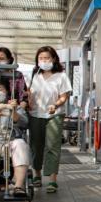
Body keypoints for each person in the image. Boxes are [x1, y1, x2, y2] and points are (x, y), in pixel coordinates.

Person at [28, 46, 72, 193]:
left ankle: (52, 180)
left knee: (52, 146)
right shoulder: (33, 75)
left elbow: (64, 96)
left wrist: (56, 104)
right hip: (35, 114)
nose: (44, 60)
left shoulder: (61, 76)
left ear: (53, 58)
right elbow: (27, 94)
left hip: (54, 114)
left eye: (47, 58)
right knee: (36, 146)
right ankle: (37, 175)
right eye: (41, 58)